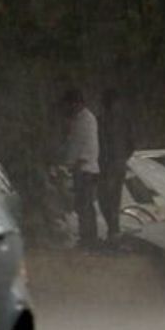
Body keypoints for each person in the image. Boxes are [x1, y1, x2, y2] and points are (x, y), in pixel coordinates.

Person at [59, 89, 101, 249]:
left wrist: (68, 165)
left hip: (85, 169)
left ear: (76, 103)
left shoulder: (84, 120)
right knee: (84, 205)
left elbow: (79, 147)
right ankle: (87, 237)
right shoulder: (82, 119)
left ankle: (89, 238)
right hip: (84, 168)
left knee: (85, 206)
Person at [97, 88, 136, 243]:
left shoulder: (102, 121)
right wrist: (122, 158)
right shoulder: (124, 121)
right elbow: (132, 144)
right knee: (112, 198)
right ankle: (114, 231)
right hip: (115, 163)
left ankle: (113, 231)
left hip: (108, 164)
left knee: (106, 198)